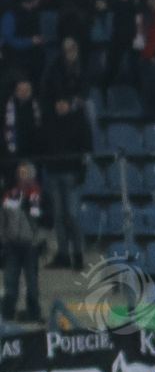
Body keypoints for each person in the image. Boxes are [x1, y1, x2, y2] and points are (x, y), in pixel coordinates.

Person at [38, 99, 89, 269]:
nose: (60, 105)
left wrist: (82, 172)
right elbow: (43, 145)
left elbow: (85, 147)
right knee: (58, 216)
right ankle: (63, 254)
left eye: (63, 102)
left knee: (71, 215)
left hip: (71, 174)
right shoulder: (49, 123)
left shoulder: (78, 122)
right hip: (54, 173)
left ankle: (78, 254)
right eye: (58, 102)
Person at [0, 162, 44, 322]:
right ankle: (7, 313)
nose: (23, 177)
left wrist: (39, 239)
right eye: (20, 173)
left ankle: (33, 312)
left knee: (32, 282)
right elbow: (3, 218)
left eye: (26, 173)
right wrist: (3, 239)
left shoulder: (39, 195)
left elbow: (43, 219)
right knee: (10, 281)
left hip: (31, 245)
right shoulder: (9, 195)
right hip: (12, 245)